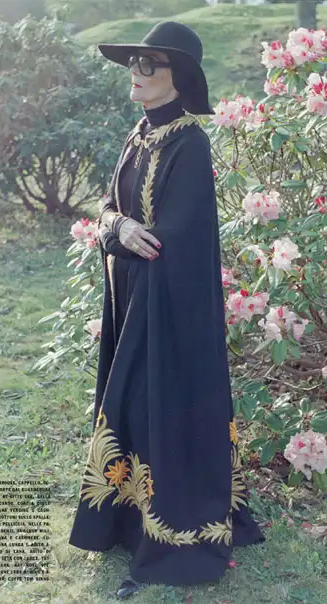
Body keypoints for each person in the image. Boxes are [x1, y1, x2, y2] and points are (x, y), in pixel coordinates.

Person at [68, 21, 265, 599]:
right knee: (132, 405)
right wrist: (118, 227)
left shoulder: (188, 143)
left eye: (149, 63)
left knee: (157, 405)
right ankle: (128, 522)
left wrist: (131, 236)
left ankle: (172, 533)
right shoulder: (139, 134)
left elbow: (174, 239)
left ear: (179, 77)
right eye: (134, 62)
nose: (136, 72)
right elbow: (110, 209)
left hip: (171, 308)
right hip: (134, 297)